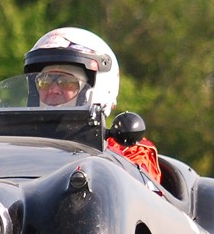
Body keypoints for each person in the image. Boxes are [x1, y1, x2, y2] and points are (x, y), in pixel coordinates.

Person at [23, 27, 162, 184]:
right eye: (44, 81)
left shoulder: (131, 153)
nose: (53, 89)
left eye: (67, 82)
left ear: (97, 90)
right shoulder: (16, 145)